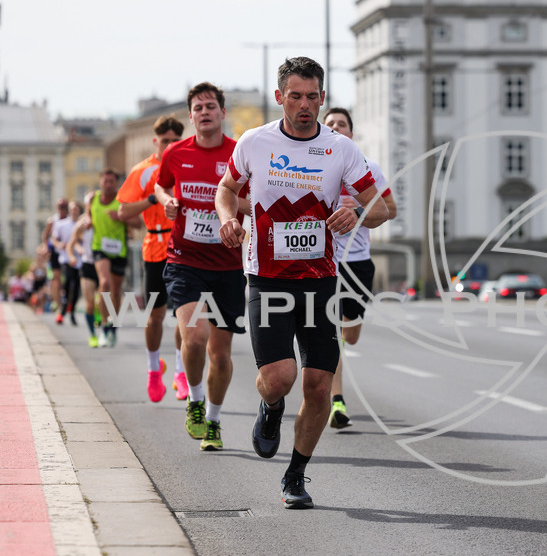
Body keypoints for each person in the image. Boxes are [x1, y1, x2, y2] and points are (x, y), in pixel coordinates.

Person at [216, 57, 387, 509]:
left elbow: (383, 207)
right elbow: (227, 189)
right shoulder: (255, 142)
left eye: (313, 96)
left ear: (323, 98)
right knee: (279, 378)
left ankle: (296, 475)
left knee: (316, 385)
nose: (305, 105)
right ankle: (270, 409)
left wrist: (357, 212)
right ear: (280, 98)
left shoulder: (341, 149)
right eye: (296, 96)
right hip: (267, 280)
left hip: (320, 282)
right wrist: (226, 218)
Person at [155, 83, 249, 452]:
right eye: (198, 107)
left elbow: (255, 198)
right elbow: (162, 186)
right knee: (194, 339)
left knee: (221, 354)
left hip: (228, 264)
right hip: (184, 260)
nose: (205, 111)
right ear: (191, 116)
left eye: (211, 106)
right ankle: (194, 401)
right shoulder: (176, 153)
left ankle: (214, 419)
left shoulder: (240, 154)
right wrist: (168, 202)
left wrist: (235, 211)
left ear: (222, 113)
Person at [322, 107, 398, 429]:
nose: (336, 127)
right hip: (323, 262)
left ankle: (332, 389)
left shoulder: (369, 168)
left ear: (352, 134)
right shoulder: (314, 166)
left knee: (348, 335)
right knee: (332, 332)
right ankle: (335, 400)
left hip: (357, 263)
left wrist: (361, 210)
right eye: (330, 124)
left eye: (342, 124)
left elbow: (390, 210)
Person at [117, 115, 187, 403]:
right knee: (155, 315)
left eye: (175, 140)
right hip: (155, 244)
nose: (170, 145)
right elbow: (123, 213)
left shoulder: (188, 164)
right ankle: (153, 369)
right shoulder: (143, 171)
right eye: (165, 140)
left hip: (185, 244)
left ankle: (181, 372)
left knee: (186, 314)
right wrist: (151, 200)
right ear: (155, 141)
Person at [89, 169, 129, 347]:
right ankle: (105, 325)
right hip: (100, 248)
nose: (108, 184)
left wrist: (121, 217)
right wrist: (88, 222)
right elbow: (89, 217)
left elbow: (137, 223)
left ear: (116, 183)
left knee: (116, 291)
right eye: (105, 181)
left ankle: (114, 324)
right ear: (100, 182)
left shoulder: (123, 200)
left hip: (119, 250)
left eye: (112, 181)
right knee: (104, 282)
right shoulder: (92, 199)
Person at [67, 197, 100, 347]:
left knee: (102, 301)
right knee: (89, 303)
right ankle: (93, 335)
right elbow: (70, 245)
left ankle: (104, 324)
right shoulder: (81, 224)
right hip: (87, 265)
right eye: (89, 203)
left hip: (103, 264)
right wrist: (72, 256)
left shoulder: (104, 219)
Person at [51, 201, 82, 325]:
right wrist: (59, 244)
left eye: (76, 209)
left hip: (80, 260)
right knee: (68, 283)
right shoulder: (61, 224)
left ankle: (72, 312)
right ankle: (63, 309)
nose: (74, 211)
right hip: (65, 259)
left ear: (79, 210)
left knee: (77, 288)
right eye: (72, 209)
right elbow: (53, 239)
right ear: (69, 210)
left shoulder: (83, 224)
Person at [42, 198, 70, 313]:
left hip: (68, 252)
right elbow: (45, 236)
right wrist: (45, 248)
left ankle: (64, 300)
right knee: (56, 279)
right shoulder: (52, 220)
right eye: (60, 207)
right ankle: (57, 303)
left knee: (67, 279)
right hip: (56, 251)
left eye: (64, 207)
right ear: (57, 208)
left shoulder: (70, 220)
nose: (62, 209)